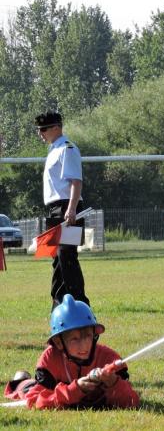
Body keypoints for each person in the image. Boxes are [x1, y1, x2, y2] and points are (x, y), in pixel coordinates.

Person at [4, 294, 140, 409]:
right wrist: (75, 390)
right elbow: (35, 401)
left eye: (88, 335)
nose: (84, 345)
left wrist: (113, 383)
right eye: (75, 339)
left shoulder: (109, 358)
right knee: (25, 388)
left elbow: (132, 402)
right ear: (59, 342)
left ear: (94, 334)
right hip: (40, 388)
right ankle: (21, 378)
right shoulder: (49, 359)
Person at [36, 111, 89, 310]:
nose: (40, 133)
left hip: (67, 207)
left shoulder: (68, 149)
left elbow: (76, 181)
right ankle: (58, 302)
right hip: (55, 208)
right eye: (39, 129)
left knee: (67, 257)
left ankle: (80, 303)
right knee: (57, 257)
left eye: (43, 129)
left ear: (57, 127)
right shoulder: (54, 150)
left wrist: (72, 208)